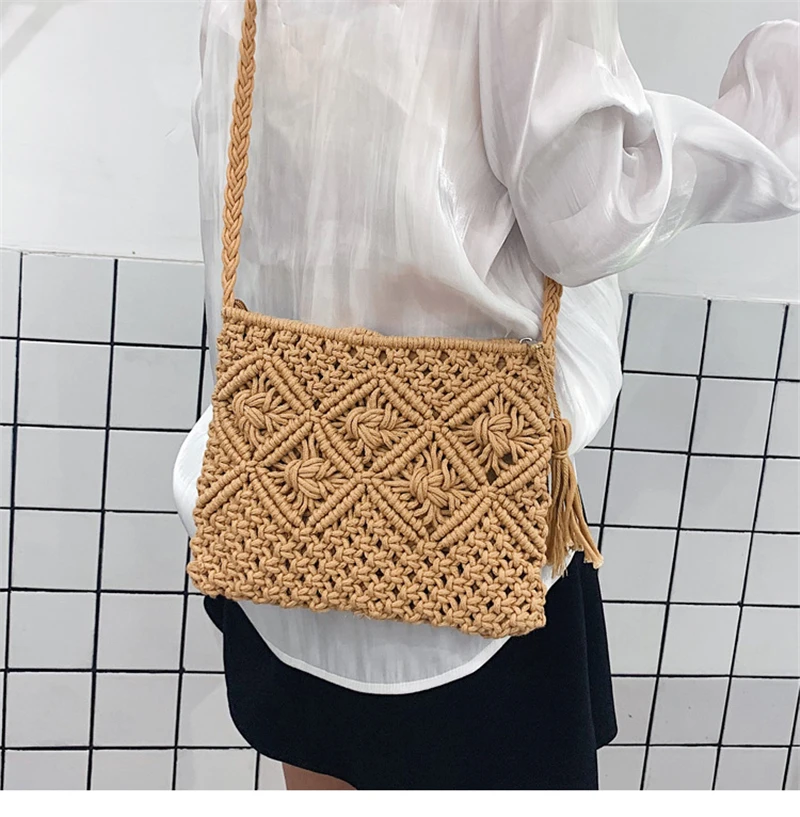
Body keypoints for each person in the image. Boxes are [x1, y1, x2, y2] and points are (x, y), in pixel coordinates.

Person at [174, 0, 799, 790]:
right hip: (469, 520)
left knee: (320, 771)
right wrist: (770, 104)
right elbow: (586, 216)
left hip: (277, 503)